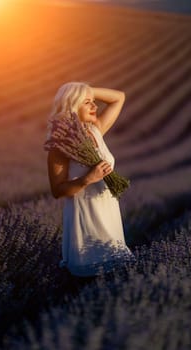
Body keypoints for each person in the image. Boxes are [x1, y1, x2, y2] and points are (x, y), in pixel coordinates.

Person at [45, 81, 136, 277]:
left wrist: (84, 91)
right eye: (88, 103)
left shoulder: (96, 130)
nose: (95, 106)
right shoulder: (59, 147)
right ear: (72, 105)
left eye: (93, 101)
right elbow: (57, 190)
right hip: (86, 218)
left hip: (108, 212)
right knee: (92, 278)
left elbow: (119, 96)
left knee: (118, 274)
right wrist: (87, 179)